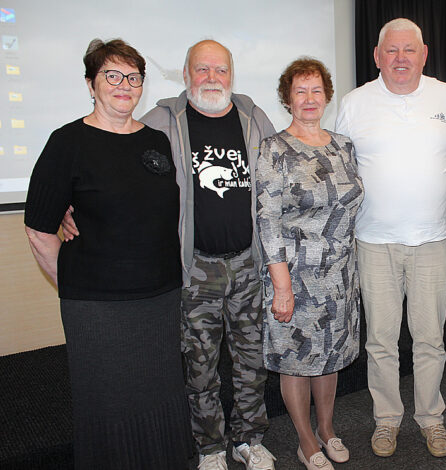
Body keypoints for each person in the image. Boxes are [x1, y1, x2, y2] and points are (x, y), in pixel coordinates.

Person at [61, 39, 277, 470]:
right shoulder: (161, 120)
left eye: (220, 70)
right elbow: (115, 155)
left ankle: (249, 439)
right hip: (194, 268)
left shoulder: (254, 117)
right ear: (186, 74)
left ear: (231, 75)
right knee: (200, 365)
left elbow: (279, 171)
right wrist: (70, 202)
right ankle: (210, 447)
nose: (212, 78)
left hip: (248, 265)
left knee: (252, 361)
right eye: (202, 69)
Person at [24, 39, 191, 469]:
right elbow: (39, 229)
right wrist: (77, 290)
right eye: (112, 75)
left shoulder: (155, 140)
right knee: (108, 406)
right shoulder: (67, 142)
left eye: (133, 78)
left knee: (160, 397)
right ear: (90, 84)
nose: (124, 85)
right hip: (97, 308)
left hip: (159, 299)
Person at [335, 18, 446, 459]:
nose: (400, 58)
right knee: (381, 341)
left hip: (433, 241)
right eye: (391, 50)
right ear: (377, 56)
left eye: (408, 49)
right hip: (374, 242)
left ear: (423, 54)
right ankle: (387, 420)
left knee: (430, 339)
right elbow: (337, 168)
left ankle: (431, 418)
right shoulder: (354, 104)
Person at [256, 58, 363, 470]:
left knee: (329, 355)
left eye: (316, 90)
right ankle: (305, 440)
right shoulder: (274, 149)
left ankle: (327, 428)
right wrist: (281, 286)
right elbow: (267, 221)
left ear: (327, 96)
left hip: (339, 275)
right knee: (297, 360)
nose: (309, 98)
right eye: (300, 91)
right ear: (287, 99)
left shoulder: (343, 146)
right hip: (295, 277)